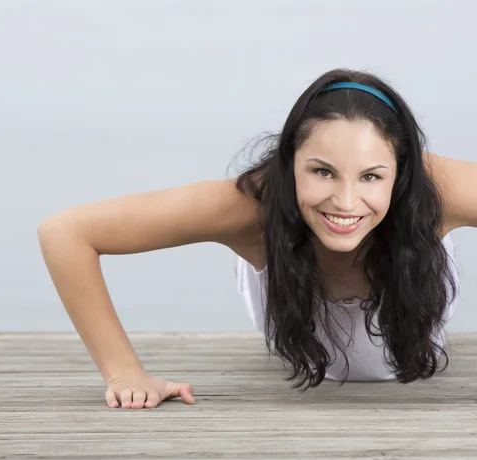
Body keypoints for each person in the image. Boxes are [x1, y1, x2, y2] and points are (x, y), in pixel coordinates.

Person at [37, 68, 477, 409]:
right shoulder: (249, 207)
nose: (346, 201)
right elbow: (66, 233)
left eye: (370, 176)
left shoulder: (439, 191)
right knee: (275, 227)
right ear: (290, 163)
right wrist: (123, 374)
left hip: (410, 269)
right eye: (322, 171)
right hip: (285, 263)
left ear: (399, 174)